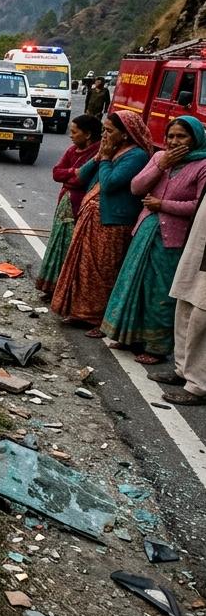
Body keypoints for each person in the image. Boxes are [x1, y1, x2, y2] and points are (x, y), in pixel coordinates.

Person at [100, 117, 206, 363]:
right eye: (171, 136)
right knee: (135, 284)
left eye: (181, 137)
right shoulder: (160, 158)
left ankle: (156, 347)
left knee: (160, 291)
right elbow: (136, 187)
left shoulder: (202, 165)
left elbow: (199, 206)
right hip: (146, 231)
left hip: (174, 239)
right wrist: (162, 164)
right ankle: (130, 337)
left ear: (196, 139)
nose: (174, 141)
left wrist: (163, 205)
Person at [50, 110, 153, 332]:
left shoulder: (136, 156)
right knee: (84, 267)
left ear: (125, 134)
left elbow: (110, 183)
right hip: (91, 218)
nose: (104, 136)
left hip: (114, 222)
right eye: (104, 130)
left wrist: (104, 159)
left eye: (109, 131)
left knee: (104, 270)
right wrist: (98, 157)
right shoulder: (110, 151)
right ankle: (80, 312)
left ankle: (99, 318)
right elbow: (80, 176)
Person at [37, 115, 103, 296]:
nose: (71, 136)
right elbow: (57, 173)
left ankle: (66, 289)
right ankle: (53, 287)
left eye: (74, 132)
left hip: (81, 206)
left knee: (73, 248)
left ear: (88, 134)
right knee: (58, 243)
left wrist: (72, 177)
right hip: (65, 202)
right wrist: (73, 172)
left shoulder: (99, 155)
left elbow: (81, 181)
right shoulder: (72, 150)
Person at [153, 189, 206, 405]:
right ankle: (183, 370)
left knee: (201, 316)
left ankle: (198, 385)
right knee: (184, 302)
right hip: (198, 244)